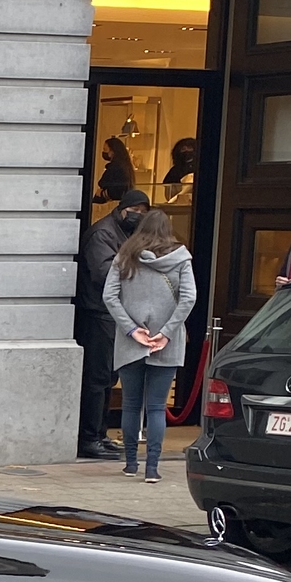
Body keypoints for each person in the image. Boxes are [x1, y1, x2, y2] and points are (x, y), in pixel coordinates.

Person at [102, 207, 198, 483]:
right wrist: (167, 332)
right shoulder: (181, 258)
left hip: (131, 340)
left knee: (131, 404)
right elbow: (188, 298)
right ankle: (152, 468)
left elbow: (110, 297)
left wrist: (132, 329)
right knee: (156, 406)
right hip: (165, 342)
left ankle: (131, 463)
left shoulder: (125, 256)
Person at [75, 190, 141, 459]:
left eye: (143, 211)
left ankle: (100, 434)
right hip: (97, 313)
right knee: (97, 377)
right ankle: (89, 438)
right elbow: (103, 273)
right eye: (135, 209)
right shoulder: (103, 233)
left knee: (108, 378)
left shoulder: (124, 234)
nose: (138, 215)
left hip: (113, 314)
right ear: (123, 208)